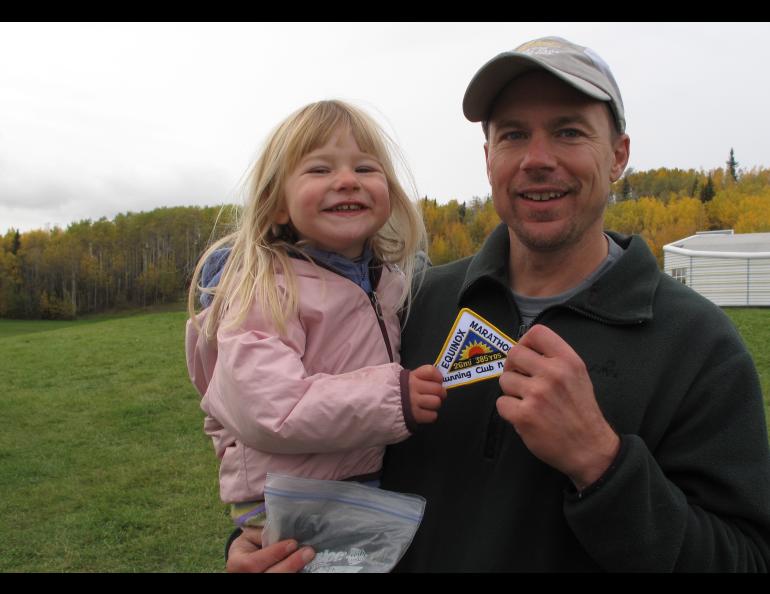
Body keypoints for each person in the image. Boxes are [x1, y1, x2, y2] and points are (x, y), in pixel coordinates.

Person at [225, 37, 770, 572]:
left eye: (569, 131)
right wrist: (263, 539)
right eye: (513, 135)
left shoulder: (699, 346)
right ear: (489, 160)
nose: (537, 159)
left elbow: (744, 557)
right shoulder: (411, 304)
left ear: (618, 156)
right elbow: (317, 437)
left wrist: (600, 462)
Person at [185, 100, 446, 557]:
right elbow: (270, 408)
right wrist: (394, 397)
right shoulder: (266, 289)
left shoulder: (385, 283)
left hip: (347, 486)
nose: (347, 180)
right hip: (290, 498)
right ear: (278, 205)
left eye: (365, 167)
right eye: (320, 169)